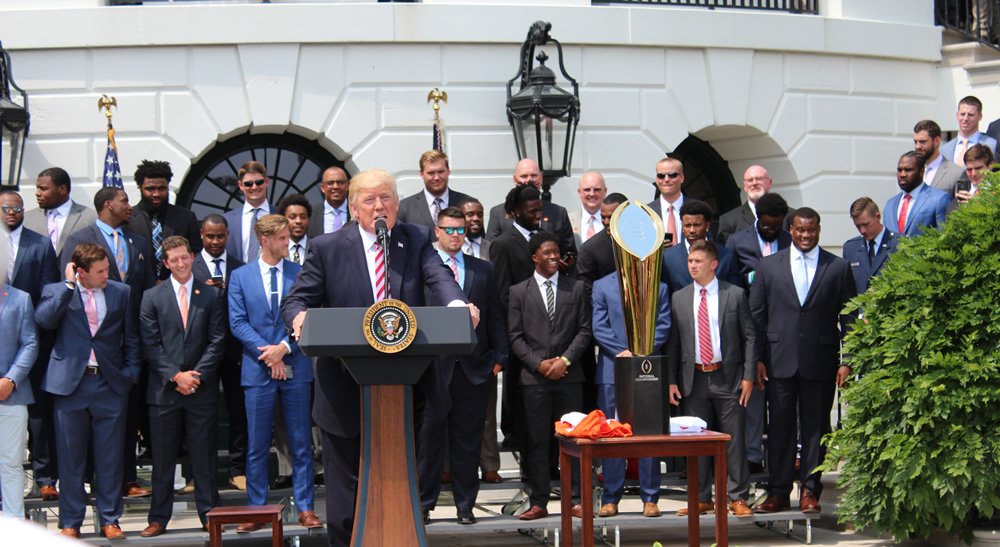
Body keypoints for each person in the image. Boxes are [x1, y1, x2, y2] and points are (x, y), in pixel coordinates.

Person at [281, 169, 474, 547]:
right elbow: (297, 299)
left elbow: (438, 277)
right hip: (345, 387)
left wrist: (457, 305)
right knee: (346, 496)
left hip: (409, 389)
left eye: (386, 198)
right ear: (354, 209)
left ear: (397, 205)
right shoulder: (327, 247)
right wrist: (300, 316)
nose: (379, 206)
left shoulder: (415, 239)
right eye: (369, 199)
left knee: (402, 486)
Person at [750, 208, 857, 514]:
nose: (806, 235)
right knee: (780, 427)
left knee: (816, 428)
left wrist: (848, 360)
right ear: (791, 230)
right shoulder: (769, 265)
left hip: (820, 359)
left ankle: (810, 489)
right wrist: (756, 359)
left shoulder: (837, 267)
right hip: (777, 360)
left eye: (811, 230)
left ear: (819, 229)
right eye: (800, 230)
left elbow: (849, 318)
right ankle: (778, 492)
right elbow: (756, 316)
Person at [36, 243, 140, 539]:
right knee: (70, 459)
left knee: (110, 457)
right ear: (81, 272)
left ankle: (110, 520)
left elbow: (132, 336)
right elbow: (44, 320)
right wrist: (69, 286)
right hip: (70, 385)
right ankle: (71, 522)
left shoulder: (121, 292)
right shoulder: (58, 291)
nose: (107, 275)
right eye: (100, 271)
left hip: (109, 384)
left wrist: (130, 374)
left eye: (107, 269)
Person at [228, 214, 322, 532]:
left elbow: (308, 315)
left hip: (295, 366)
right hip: (258, 369)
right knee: (257, 445)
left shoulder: (300, 273)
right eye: (282, 238)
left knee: (301, 443)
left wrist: (283, 347)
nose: (287, 242)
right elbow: (237, 322)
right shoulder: (241, 276)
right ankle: (257, 510)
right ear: (265, 241)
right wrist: (270, 355)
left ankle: (306, 508)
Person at [59, 185, 154, 497]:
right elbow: (67, 294)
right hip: (90, 351)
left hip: (130, 344)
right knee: (85, 431)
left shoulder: (137, 241)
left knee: (126, 419)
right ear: (107, 205)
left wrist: (132, 368)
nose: (130, 206)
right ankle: (90, 481)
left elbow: (147, 288)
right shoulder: (79, 239)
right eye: (124, 200)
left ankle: (127, 478)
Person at [418, 207, 508, 525]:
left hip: (474, 369)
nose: (456, 235)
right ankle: (424, 504)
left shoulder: (483, 269)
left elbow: (495, 316)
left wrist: (499, 359)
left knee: (467, 441)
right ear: (437, 231)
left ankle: (465, 505)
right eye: (450, 229)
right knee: (429, 441)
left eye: (460, 230)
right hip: (432, 369)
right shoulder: (424, 268)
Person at [138, 236, 226, 537]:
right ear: (165, 263)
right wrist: (176, 376)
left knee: (204, 458)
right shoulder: (152, 296)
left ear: (192, 257)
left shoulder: (211, 295)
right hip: (165, 391)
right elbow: (150, 344)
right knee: (163, 459)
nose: (180, 264)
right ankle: (158, 518)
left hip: (201, 389)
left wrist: (195, 376)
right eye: (173, 259)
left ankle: (209, 514)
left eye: (184, 257)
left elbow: (217, 340)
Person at [667, 240, 756, 518]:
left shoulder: (735, 294)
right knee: (697, 441)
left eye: (698, 261)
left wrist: (748, 376)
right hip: (693, 378)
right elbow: (673, 343)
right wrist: (671, 380)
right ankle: (701, 498)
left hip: (727, 377)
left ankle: (737, 497)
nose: (692, 266)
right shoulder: (679, 297)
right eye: (690, 261)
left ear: (713, 264)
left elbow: (749, 336)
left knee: (733, 440)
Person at [507, 231, 591, 521]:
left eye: (557, 252)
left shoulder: (576, 288)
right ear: (534, 257)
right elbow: (515, 336)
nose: (555, 257)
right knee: (537, 442)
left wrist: (565, 360)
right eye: (548, 252)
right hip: (535, 380)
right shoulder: (519, 292)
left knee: (572, 441)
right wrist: (539, 364)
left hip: (569, 377)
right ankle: (539, 501)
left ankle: (576, 500)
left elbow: (584, 330)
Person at [591, 270, 669, 518]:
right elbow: (599, 326)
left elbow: (663, 324)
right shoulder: (602, 285)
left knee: (648, 433)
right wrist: (623, 352)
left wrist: (639, 350)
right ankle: (610, 497)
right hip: (612, 369)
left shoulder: (658, 286)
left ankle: (650, 498)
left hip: (647, 368)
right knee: (612, 434)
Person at [724, 191, 791, 473]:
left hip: (783, 329)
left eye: (777, 226)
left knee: (782, 401)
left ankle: (781, 456)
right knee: (752, 396)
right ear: (757, 219)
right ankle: (752, 456)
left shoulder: (790, 241)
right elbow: (728, 280)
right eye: (766, 225)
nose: (771, 230)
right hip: (748, 327)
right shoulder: (737, 241)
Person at [1, 191, 60, 501]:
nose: (12, 212)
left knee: (38, 413)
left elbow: (49, 291)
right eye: (6, 208)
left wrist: (33, 325)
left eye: (17, 208)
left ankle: (45, 476)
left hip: (31, 336)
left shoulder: (39, 244)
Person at [191, 214, 248, 491]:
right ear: (202, 235)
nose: (215, 242)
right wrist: (200, 290)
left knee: (239, 412)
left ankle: (238, 470)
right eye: (210, 236)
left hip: (235, 351)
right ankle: (198, 474)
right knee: (201, 415)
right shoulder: (189, 267)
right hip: (200, 352)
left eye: (220, 236)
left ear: (228, 236)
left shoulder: (240, 267)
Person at [485, 159, 576, 261]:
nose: (529, 180)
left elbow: (570, 251)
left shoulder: (558, 212)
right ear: (515, 179)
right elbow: (491, 251)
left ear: (541, 177)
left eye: (534, 175)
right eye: (524, 176)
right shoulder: (498, 213)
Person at [0, 281, 38, 520]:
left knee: (11, 464)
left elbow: (30, 343)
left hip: (11, 395)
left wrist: (11, 379)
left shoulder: (20, 299)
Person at [127, 160, 201, 280]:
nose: (156, 194)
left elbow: (197, 255)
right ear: (140, 187)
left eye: (162, 188)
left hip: (178, 285)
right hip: (139, 288)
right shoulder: (128, 219)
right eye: (150, 189)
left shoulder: (187, 217)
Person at [661, 199, 741, 294]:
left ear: (707, 226)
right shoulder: (668, 258)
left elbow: (735, 294)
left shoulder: (726, 256)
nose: (692, 230)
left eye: (697, 225)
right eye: (687, 225)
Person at [23, 167, 97, 255]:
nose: (37, 193)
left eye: (43, 189)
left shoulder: (90, 217)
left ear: (62, 189)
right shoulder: (26, 219)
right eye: (37, 188)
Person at [882, 151, 952, 237]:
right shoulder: (890, 204)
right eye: (899, 170)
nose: (902, 174)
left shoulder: (938, 199)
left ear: (921, 171)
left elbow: (944, 237)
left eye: (908, 170)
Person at [397, 150, 471, 230]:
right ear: (421, 174)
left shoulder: (467, 204)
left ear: (448, 171)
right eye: (431, 173)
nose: (436, 178)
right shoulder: (404, 208)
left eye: (441, 172)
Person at [842, 197, 898, 295]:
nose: (862, 230)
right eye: (858, 226)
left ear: (878, 216)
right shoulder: (851, 248)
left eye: (866, 224)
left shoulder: (899, 244)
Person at [224, 161, 273, 263]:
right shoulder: (228, 220)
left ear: (266, 182)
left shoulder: (281, 216)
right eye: (248, 184)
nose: (254, 187)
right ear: (240, 185)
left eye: (259, 182)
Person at [576, 193, 626, 291]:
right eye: (603, 217)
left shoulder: (643, 241)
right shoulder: (590, 249)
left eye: (611, 217)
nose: (606, 222)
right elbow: (586, 288)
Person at [716, 165, 773, 245]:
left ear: (770, 183)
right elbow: (725, 251)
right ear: (745, 186)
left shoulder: (787, 215)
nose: (754, 183)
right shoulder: (728, 220)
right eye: (750, 180)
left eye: (759, 179)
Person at [940, 96, 998, 166]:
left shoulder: (993, 146)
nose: (965, 118)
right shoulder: (944, 149)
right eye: (962, 114)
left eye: (971, 115)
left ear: (980, 116)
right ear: (957, 115)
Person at [914, 120, 964, 195]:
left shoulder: (958, 173)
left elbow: (963, 202)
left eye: (922, 142)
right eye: (915, 142)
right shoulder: (912, 171)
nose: (918, 146)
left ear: (937, 141)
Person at [646, 156, 686, 247]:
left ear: (682, 178)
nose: (666, 179)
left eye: (672, 175)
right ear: (657, 180)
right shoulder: (646, 212)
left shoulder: (697, 209)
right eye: (661, 176)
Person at [308, 166, 351, 237]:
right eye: (330, 183)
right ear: (322, 188)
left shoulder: (358, 212)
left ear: (348, 185)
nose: (335, 187)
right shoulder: (310, 215)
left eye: (340, 182)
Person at [570, 171, 608, 247]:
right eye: (587, 190)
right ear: (579, 192)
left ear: (605, 191)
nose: (592, 194)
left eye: (597, 189)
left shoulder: (614, 221)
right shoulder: (568, 219)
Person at [277, 194, 312, 265]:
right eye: (292, 217)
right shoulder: (274, 248)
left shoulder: (318, 248)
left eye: (303, 217)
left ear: (308, 220)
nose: (298, 221)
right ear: (283, 220)